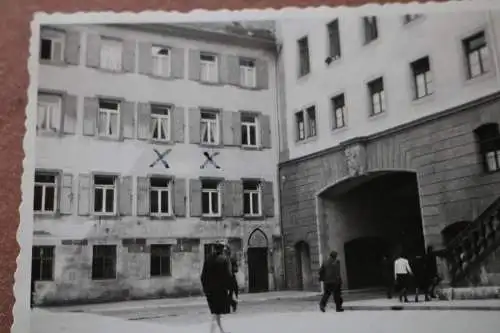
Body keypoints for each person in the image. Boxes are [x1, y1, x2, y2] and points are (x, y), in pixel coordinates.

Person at [201, 243, 233, 333]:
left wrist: (205, 289)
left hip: (210, 292)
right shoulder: (224, 260)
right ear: (222, 249)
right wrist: (229, 290)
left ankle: (222, 331)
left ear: (214, 249)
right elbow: (229, 276)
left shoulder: (208, 259)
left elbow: (203, 276)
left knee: (216, 313)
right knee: (216, 314)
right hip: (220, 291)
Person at [225, 245, 239, 312]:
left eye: (227, 251)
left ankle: (233, 304)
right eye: (225, 251)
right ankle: (233, 304)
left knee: (232, 293)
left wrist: (233, 269)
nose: (226, 252)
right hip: (225, 278)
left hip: (231, 278)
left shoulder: (232, 259)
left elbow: (236, 269)